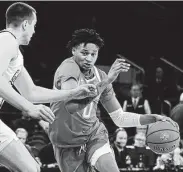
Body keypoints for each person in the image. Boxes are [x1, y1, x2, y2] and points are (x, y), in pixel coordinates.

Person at [48, 28, 177, 172]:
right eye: (84, 53)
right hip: (66, 143)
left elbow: (119, 118)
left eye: (93, 54)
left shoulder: (101, 76)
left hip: (93, 135)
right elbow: (71, 106)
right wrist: (108, 80)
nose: (89, 58)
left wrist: (153, 118)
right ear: (73, 51)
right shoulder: (68, 69)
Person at [0, 2, 96, 172]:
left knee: (31, 168)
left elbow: (31, 92)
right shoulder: (7, 40)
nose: (34, 31)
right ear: (25, 24)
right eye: (34, 26)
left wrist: (73, 92)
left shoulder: (14, 51)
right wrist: (29, 108)